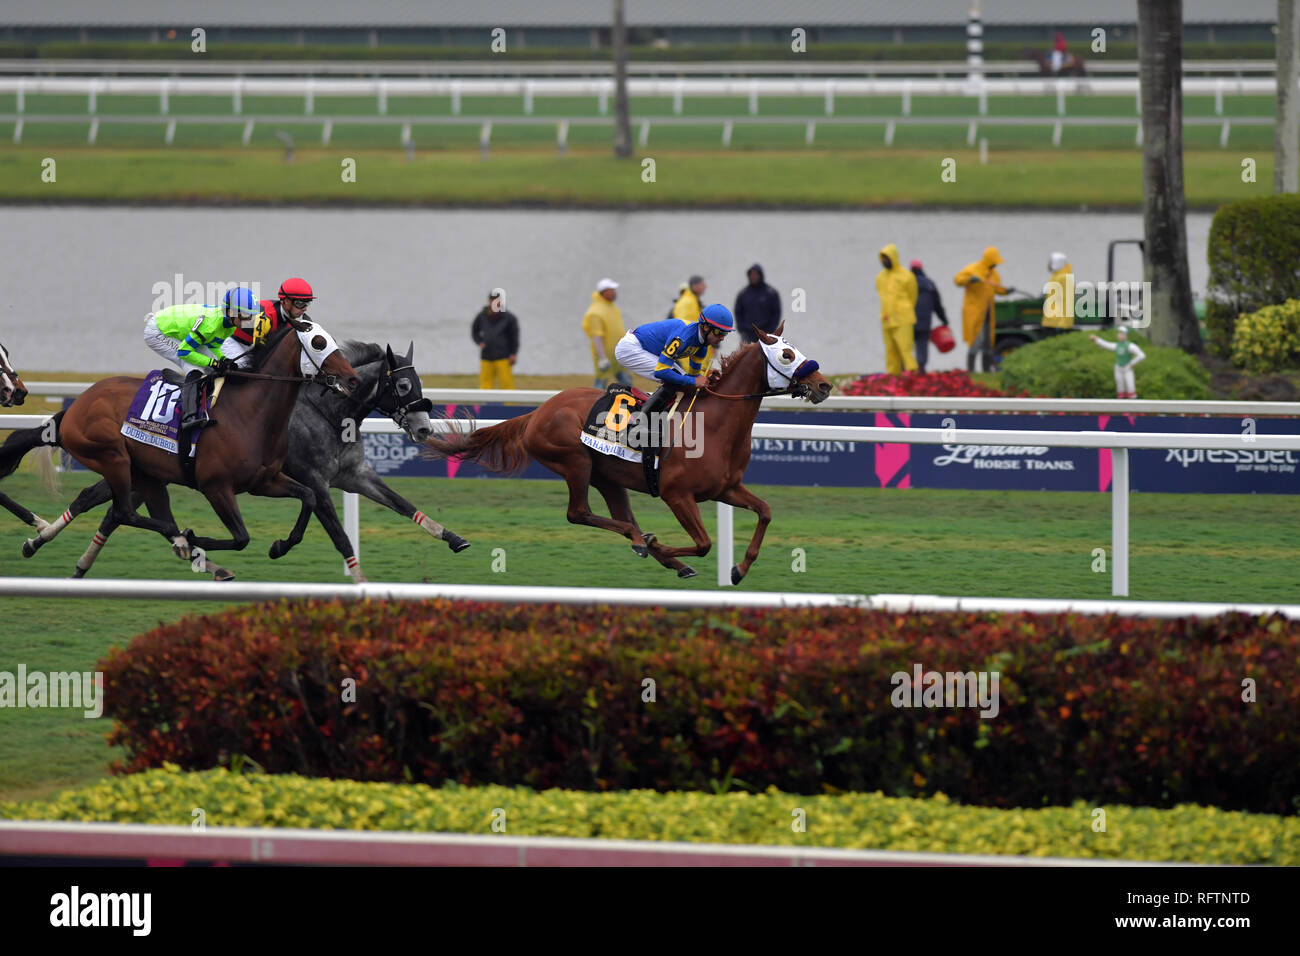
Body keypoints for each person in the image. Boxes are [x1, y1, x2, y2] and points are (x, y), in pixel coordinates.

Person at [144, 286, 262, 448]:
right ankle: (189, 417)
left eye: (250, 316)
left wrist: (222, 359)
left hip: (181, 331)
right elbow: (184, 351)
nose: (247, 321)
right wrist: (213, 363)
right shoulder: (211, 324)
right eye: (245, 315)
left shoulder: (230, 324)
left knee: (213, 366)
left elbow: (213, 345)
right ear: (230, 312)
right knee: (196, 369)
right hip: (157, 331)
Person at [613, 303, 734, 427]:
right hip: (629, 349)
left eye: (725, 334)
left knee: (681, 380)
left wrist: (707, 380)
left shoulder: (702, 346)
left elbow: (693, 375)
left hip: (645, 350)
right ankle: (637, 422)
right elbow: (661, 372)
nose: (722, 338)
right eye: (719, 332)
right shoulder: (682, 338)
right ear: (706, 327)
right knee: (675, 379)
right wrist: (693, 381)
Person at [223, 276, 315, 367]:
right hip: (234, 342)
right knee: (244, 370)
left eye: (307, 303)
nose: (305, 309)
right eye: (300, 303)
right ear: (286, 301)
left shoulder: (290, 320)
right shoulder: (266, 313)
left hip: (252, 347)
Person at [954, 246, 1015, 371]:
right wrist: (969, 279)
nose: (995, 265)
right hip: (975, 312)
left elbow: (998, 289)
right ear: (989, 260)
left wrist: (1007, 291)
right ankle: (971, 370)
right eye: (994, 262)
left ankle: (986, 370)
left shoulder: (994, 275)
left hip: (988, 313)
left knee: (988, 342)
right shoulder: (972, 269)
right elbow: (958, 280)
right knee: (976, 340)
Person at [876, 243, 919, 375]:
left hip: (903, 318)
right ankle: (892, 375)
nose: (884, 261)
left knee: (905, 348)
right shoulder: (880, 277)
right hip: (887, 318)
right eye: (883, 258)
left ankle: (912, 372)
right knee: (890, 350)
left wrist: (903, 309)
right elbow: (882, 296)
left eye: (887, 258)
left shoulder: (906, 276)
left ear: (893, 257)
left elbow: (913, 295)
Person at [583, 278, 631, 388]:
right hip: (606, 356)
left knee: (626, 383)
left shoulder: (611, 307)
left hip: (618, 355)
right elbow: (597, 336)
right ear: (604, 292)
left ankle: (627, 403)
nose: (615, 292)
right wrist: (602, 358)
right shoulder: (595, 312)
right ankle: (595, 404)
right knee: (600, 385)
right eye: (612, 290)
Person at [471, 290, 519, 390]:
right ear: (489, 301)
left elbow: (514, 337)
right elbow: (474, 331)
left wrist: (513, 353)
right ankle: (484, 405)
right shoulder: (482, 316)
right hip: (486, 356)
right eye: (492, 300)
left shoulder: (509, 317)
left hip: (503, 357)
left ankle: (509, 405)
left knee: (506, 384)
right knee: (485, 385)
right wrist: (479, 342)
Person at [909, 259, 949, 374]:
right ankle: (921, 367)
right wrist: (944, 320)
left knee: (906, 346)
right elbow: (937, 305)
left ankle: (907, 369)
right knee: (922, 344)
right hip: (925, 321)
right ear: (921, 269)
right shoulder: (930, 284)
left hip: (908, 320)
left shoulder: (907, 283)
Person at [1090, 326, 1145, 398]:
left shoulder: (1130, 346)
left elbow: (1142, 355)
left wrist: (1132, 363)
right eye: (1119, 333)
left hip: (1127, 369)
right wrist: (1097, 340)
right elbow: (1107, 345)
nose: (1119, 335)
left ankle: (1133, 407)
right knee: (1120, 389)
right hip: (1118, 369)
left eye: (1122, 334)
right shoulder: (1117, 345)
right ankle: (1121, 407)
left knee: (1131, 387)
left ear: (1126, 335)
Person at [733, 263, 781, 345]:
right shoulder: (743, 293)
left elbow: (776, 312)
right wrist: (741, 329)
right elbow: (738, 312)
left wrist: (771, 330)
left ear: (760, 275)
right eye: (751, 274)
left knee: (765, 356)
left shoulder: (770, 293)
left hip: (766, 334)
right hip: (747, 334)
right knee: (746, 357)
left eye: (756, 274)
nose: (753, 276)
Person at [1041, 252, 1074, 332]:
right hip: (1054, 320)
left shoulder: (1063, 277)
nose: (1049, 264)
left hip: (1058, 322)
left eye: (1051, 262)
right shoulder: (1057, 276)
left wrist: (1063, 323)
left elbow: (1067, 302)